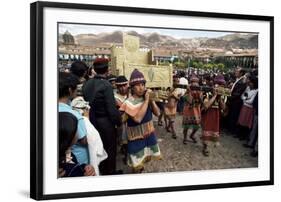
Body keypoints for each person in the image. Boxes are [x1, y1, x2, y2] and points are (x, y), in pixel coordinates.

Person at [83, 58, 122, 175]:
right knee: (109, 149)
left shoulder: (87, 84)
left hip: (91, 121)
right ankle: (110, 173)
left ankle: (100, 170)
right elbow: (111, 109)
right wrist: (118, 122)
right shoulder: (106, 85)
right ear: (107, 69)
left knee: (97, 148)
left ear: (94, 69)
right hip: (106, 123)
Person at [119, 69, 162, 173]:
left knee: (143, 161)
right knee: (136, 163)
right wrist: (147, 101)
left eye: (142, 84)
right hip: (136, 139)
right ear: (132, 88)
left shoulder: (146, 99)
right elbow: (138, 119)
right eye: (137, 85)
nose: (141, 87)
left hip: (148, 135)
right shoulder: (128, 103)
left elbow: (158, 113)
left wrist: (151, 101)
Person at [71, 97, 108, 176]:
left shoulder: (73, 118)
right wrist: (86, 118)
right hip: (82, 158)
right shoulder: (82, 120)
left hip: (77, 156)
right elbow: (87, 140)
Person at [58, 72, 89, 165]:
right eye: (76, 88)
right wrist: (86, 118)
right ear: (70, 90)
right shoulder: (74, 116)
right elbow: (84, 141)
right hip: (77, 158)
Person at [59, 112, 95, 177]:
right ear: (70, 136)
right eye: (77, 129)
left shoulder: (66, 154)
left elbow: (75, 165)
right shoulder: (67, 170)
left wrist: (84, 167)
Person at [201, 75, 227, 156]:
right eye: (218, 85)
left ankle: (206, 146)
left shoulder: (222, 96)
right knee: (206, 131)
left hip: (216, 116)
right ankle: (205, 147)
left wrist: (219, 99)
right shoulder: (208, 93)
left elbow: (224, 108)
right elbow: (206, 106)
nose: (219, 87)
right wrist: (215, 96)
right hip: (207, 116)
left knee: (212, 132)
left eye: (221, 86)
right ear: (214, 85)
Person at [182, 75, 203, 144]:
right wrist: (189, 91)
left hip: (196, 110)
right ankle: (185, 138)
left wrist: (199, 94)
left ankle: (192, 135)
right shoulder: (187, 92)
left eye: (196, 82)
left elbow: (201, 101)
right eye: (193, 82)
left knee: (197, 126)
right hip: (188, 110)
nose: (195, 84)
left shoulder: (200, 91)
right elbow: (190, 101)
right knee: (186, 126)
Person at [114, 75, 129, 164]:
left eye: (124, 85)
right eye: (120, 86)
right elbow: (124, 107)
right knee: (125, 141)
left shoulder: (130, 94)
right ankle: (126, 156)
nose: (123, 88)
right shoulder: (115, 97)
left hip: (130, 122)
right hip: (122, 124)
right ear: (117, 87)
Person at [237, 76, 258, 140]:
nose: (250, 83)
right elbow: (242, 96)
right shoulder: (248, 88)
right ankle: (240, 135)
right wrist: (245, 100)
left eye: (251, 82)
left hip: (250, 109)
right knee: (241, 121)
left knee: (247, 123)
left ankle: (244, 136)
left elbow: (251, 101)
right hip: (244, 107)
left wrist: (245, 100)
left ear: (254, 83)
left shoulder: (256, 90)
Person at [228, 67, 247, 135]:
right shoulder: (238, 79)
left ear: (241, 73)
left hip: (236, 101)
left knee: (234, 115)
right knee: (232, 115)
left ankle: (232, 131)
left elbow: (238, 93)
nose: (235, 72)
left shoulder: (243, 81)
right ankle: (230, 129)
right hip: (233, 100)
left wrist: (229, 96)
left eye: (237, 71)